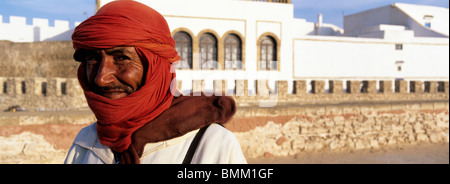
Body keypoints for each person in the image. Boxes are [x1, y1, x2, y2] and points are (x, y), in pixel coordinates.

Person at [64, 0, 247, 164]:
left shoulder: (213, 146)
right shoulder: (86, 143)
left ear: (156, 68)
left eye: (121, 58)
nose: (101, 78)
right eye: (92, 59)